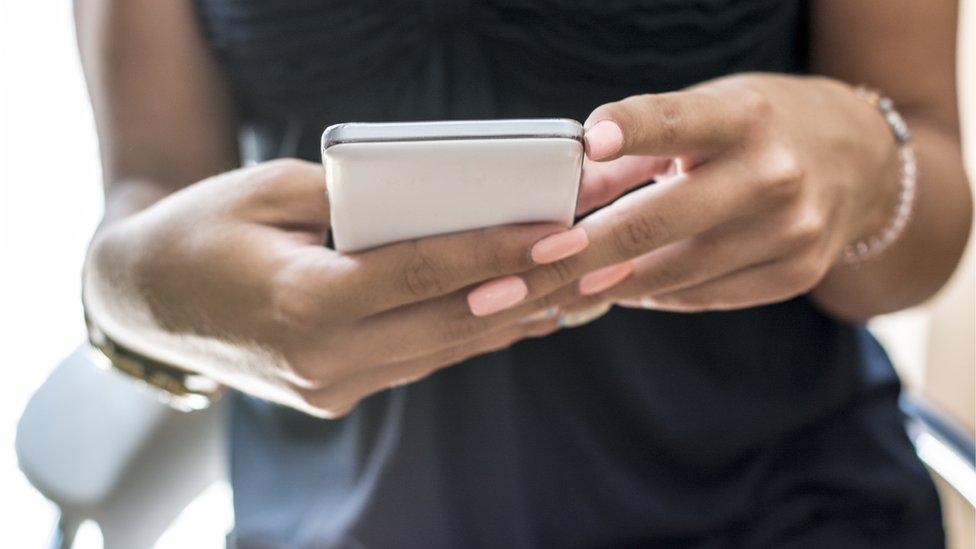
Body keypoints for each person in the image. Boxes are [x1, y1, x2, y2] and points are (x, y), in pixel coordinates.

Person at [76, 0, 971, 546]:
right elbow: (147, 190)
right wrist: (122, 291)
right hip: (343, 524)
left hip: (782, 510)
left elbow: (925, 203)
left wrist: (865, 161)